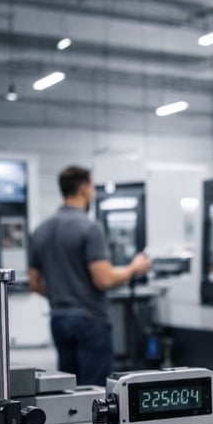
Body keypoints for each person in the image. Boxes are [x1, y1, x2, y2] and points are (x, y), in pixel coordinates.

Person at [28, 165, 151, 386]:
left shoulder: (41, 230)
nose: (93, 192)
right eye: (92, 186)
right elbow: (104, 279)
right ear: (84, 188)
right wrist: (134, 267)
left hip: (59, 319)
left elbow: (34, 283)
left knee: (69, 389)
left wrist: (61, 295)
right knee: (96, 392)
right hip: (90, 320)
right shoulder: (89, 228)